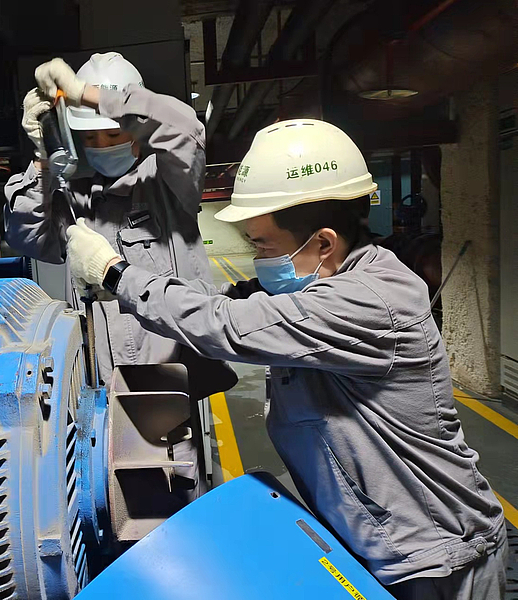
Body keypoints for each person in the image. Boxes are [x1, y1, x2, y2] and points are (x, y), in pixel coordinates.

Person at [65, 118, 507, 600]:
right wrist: (137, 294)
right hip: (378, 547)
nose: (256, 256)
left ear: (323, 243)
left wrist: (115, 273)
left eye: (262, 244)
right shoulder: (325, 280)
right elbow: (227, 302)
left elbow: (227, 325)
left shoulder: (371, 300)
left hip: (437, 559)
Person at [4, 52, 236, 496]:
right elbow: (29, 237)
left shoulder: (169, 180)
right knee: (111, 495)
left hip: (171, 375)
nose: (103, 144)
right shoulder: (74, 194)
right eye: (91, 137)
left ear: (136, 128)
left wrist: (87, 95)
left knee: (180, 489)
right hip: (99, 380)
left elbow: (184, 127)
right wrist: (42, 158)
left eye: (115, 131)